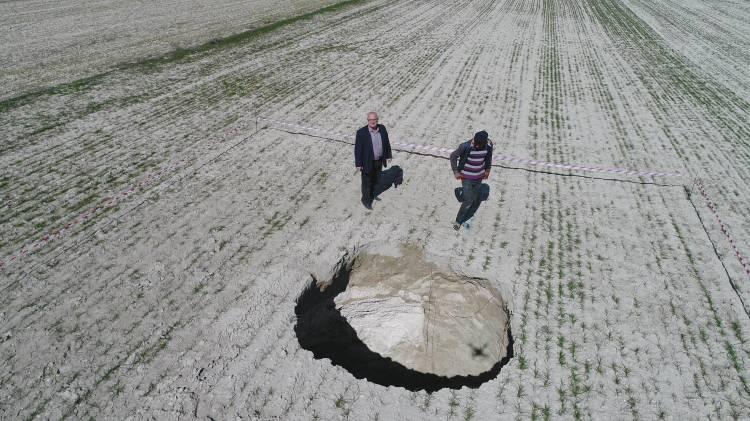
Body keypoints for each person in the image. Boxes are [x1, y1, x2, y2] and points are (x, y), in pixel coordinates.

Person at [450, 130, 493, 230]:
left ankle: (461, 192)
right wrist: (456, 171)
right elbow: (453, 156)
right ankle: (458, 221)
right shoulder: (465, 146)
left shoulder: (489, 145)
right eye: (476, 144)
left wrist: (487, 170)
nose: (477, 146)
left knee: (475, 199)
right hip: (466, 177)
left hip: (479, 177)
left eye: (479, 145)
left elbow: (489, 157)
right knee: (468, 201)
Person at [355, 112, 392, 209]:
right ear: (368, 121)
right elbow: (358, 150)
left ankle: (372, 195)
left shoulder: (382, 129)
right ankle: (366, 200)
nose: (373, 121)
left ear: (377, 119)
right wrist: (358, 164)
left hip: (379, 161)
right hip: (367, 162)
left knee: (375, 179)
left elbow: (386, 143)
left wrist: (388, 155)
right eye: (370, 120)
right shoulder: (361, 133)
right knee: (366, 182)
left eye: (374, 119)